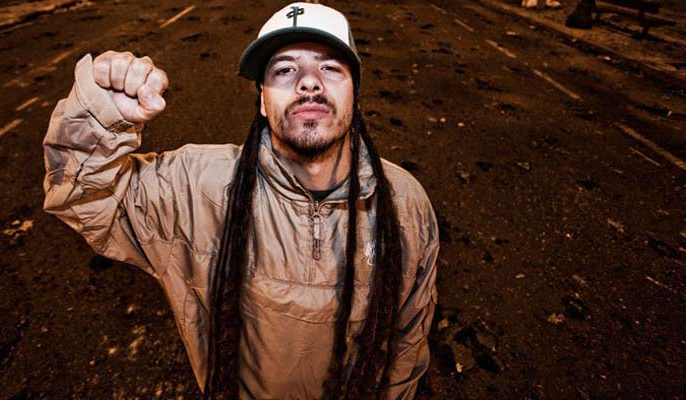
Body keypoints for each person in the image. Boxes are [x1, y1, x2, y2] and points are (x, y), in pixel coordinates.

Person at [43, 2, 439, 399]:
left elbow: (408, 342)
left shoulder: (404, 205)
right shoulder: (198, 187)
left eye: (331, 68)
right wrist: (101, 117)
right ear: (263, 101)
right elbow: (83, 198)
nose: (309, 82)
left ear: (355, 96)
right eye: (285, 69)